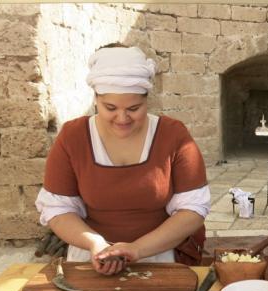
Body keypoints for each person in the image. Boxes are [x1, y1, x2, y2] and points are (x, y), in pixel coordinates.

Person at [36, 43, 210, 275]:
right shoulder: (73, 137)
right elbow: (58, 210)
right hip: (89, 255)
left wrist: (137, 249)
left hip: (159, 255)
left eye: (134, 108)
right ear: (95, 99)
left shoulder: (173, 135)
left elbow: (193, 210)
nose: (122, 118)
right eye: (110, 108)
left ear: (147, 100)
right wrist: (96, 244)